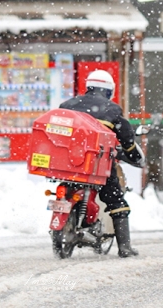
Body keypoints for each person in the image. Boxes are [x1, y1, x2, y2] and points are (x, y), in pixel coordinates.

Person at [59, 69, 144, 258]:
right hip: (96, 164)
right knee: (116, 201)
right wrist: (131, 152)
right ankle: (125, 248)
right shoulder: (112, 110)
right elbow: (127, 138)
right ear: (109, 90)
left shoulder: (67, 105)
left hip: (68, 162)